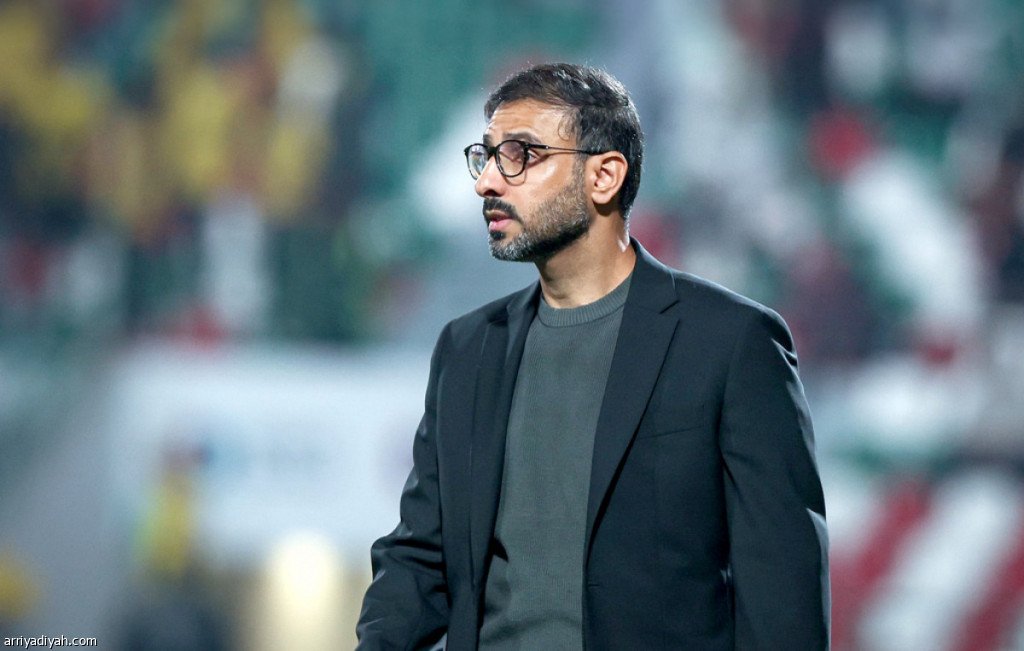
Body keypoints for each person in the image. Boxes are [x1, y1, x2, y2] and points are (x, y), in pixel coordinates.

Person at [356, 62, 830, 650]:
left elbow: (782, 589)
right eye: (487, 157)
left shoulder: (731, 343)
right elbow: (420, 560)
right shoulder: (468, 348)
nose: (488, 183)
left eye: (522, 155)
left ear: (604, 176)